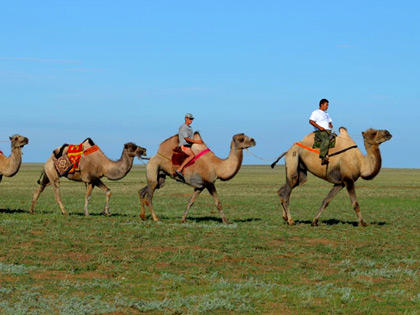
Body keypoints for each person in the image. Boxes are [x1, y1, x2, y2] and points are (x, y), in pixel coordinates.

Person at [175, 113, 203, 180]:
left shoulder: (189, 128)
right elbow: (186, 138)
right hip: (184, 146)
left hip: (189, 146)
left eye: (192, 119)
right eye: (190, 119)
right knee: (192, 156)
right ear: (186, 119)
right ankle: (179, 170)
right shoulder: (183, 127)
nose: (191, 120)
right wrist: (197, 142)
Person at [309, 99, 333, 165]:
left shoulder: (327, 114)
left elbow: (329, 121)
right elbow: (311, 121)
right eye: (326, 105)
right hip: (320, 131)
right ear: (322, 105)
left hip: (328, 131)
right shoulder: (316, 112)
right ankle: (323, 157)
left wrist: (330, 124)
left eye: (328, 105)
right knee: (326, 140)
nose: (327, 107)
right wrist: (320, 127)